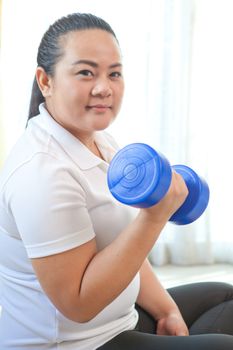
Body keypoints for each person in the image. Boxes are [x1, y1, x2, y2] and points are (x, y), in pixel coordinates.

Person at [0, 12, 232, 350]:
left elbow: (122, 248)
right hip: (74, 344)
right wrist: (154, 216)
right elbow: (78, 305)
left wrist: (167, 309)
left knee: (225, 298)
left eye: (114, 73)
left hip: (119, 320)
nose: (103, 87)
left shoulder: (101, 142)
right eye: (85, 72)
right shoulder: (41, 174)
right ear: (45, 81)